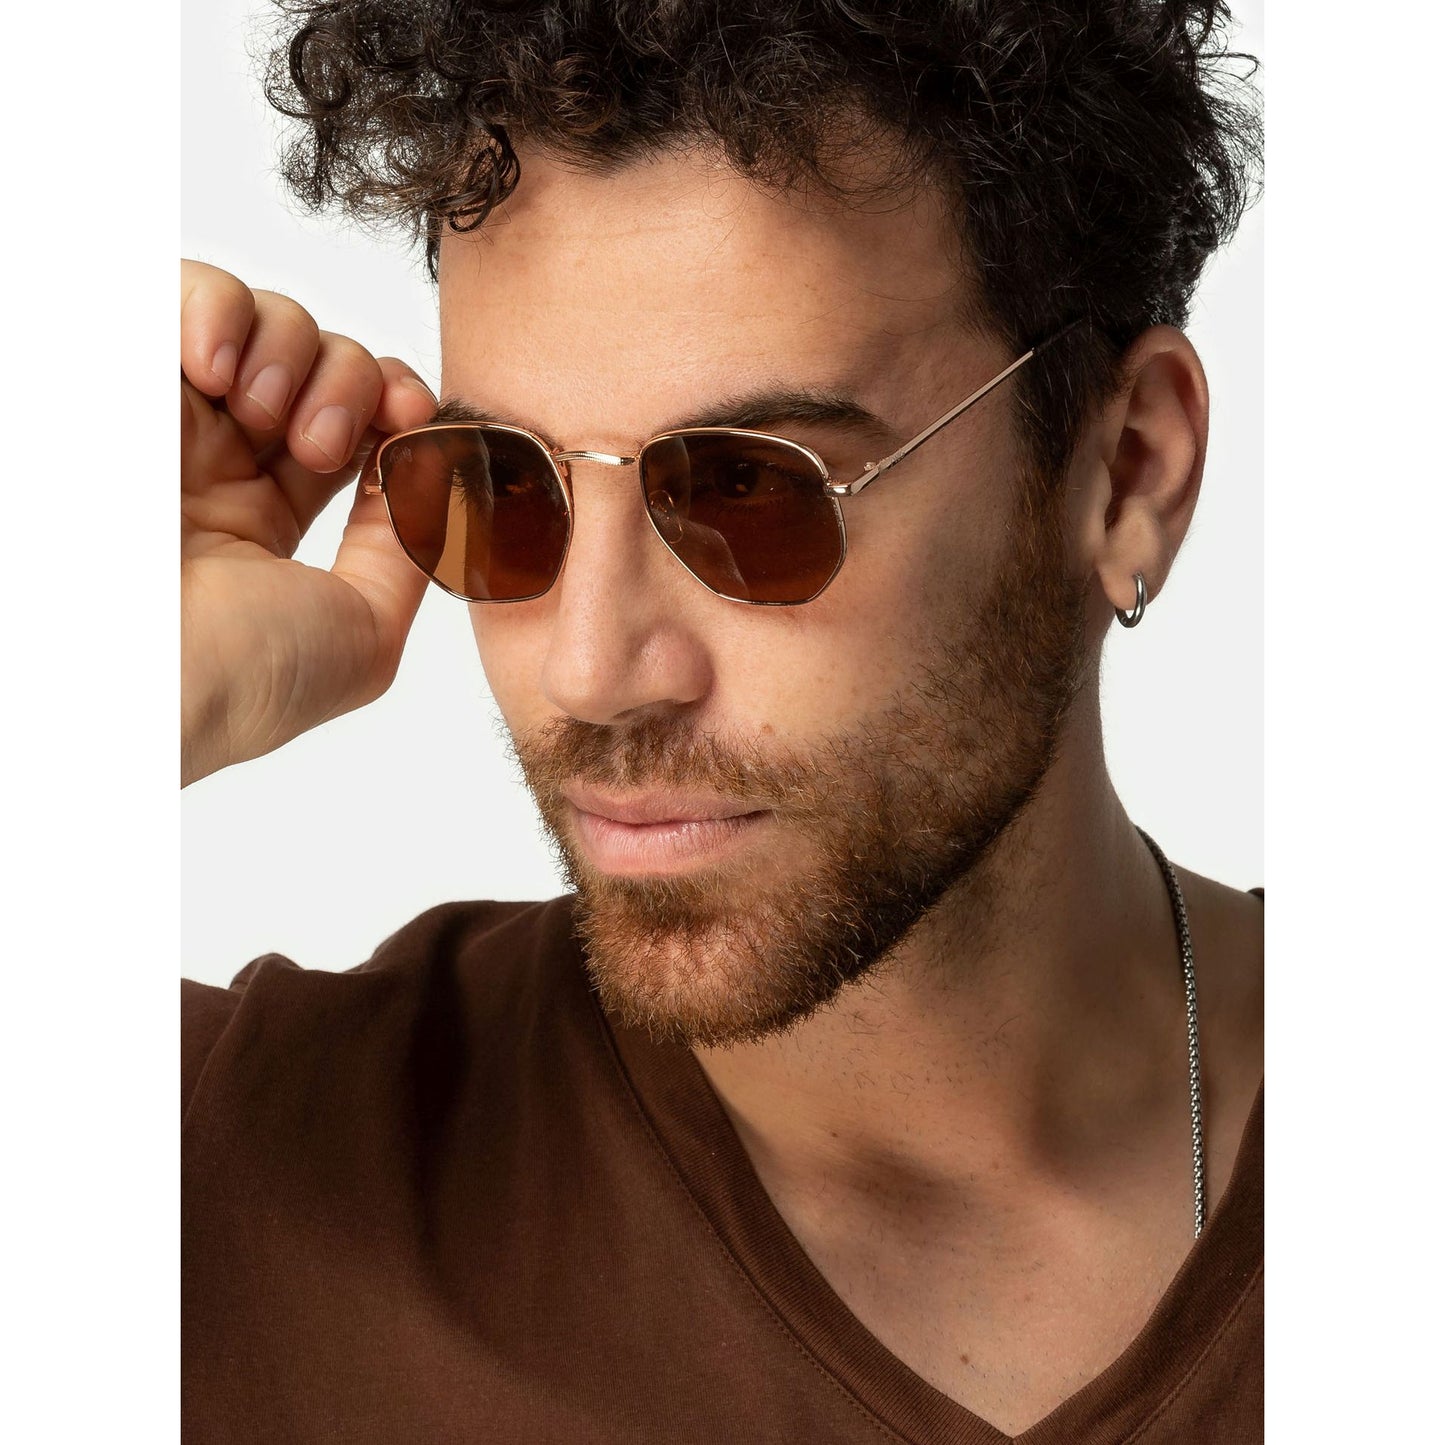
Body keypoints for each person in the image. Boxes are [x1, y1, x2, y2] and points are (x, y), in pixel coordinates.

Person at [181, 1, 1264, 1439]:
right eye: (503, 482)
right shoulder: (223, 1171)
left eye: (749, 488)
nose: (590, 671)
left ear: (1125, 472)